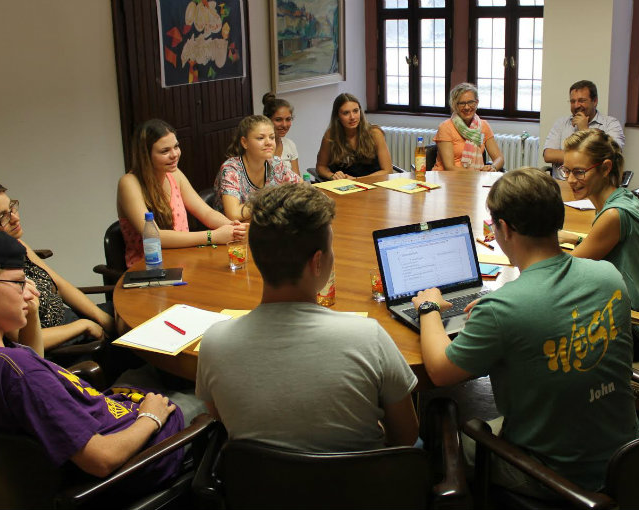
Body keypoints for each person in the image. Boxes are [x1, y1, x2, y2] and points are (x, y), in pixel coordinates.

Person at [412, 168, 637, 499]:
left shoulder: (503, 308)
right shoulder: (608, 275)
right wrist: (497, 310)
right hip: (624, 460)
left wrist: (429, 308)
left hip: (552, 477)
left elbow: (440, 371)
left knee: (446, 429)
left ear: (504, 228)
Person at [0, 224, 184, 488]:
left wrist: (29, 316)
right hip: (148, 457)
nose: (33, 292)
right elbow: (102, 459)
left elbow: (32, 370)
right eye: (19, 283)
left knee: (143, 374)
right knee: (204, 394)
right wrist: (150, 417)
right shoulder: (22, 376)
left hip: (109, 420)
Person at [196, 182, 419, 452]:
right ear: (317, 263)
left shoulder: (214, 342)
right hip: (359, 492)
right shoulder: (368, 337)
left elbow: (223, 419)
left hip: (258, 491)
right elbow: (405, 436)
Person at [0, 182, 115, 350]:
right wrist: (83, 326)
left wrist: (102, 318)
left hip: (67, 319)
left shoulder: (16, 244)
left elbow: (60, 285)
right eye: (2, 217)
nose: (15, 218)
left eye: (12, 208)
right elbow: (21, 341)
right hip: (54, 345)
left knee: (124, 312)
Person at [556, 130, 639, 361]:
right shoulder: (625, 198)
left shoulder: (613, 215)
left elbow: (563, 272)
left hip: (637, 330)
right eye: (566, 170)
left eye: (579, 172)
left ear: (605, 168)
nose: (570, 180)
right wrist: (575, 239)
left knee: (542, 329)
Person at [117, 118, 246, 268]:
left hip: (183, 262)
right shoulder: (129, 183)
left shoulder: (174, 174)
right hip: (149, 271)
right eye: (165, 151)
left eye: (176, 146)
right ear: (146, 155)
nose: (174, 154)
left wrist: (232, 227)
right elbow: (156, 236)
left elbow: (206, 213)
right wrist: (212, 236)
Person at [214, 115, 302, 221]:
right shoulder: (231, 170)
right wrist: (274, 200)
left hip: (265, 223)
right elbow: (233, 214)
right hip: (234, 232)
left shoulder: (276, 163)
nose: (268, 142)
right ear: (245, 143)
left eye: (272, 137)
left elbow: (303, 189)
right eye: (260, 138)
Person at [543, 80, 625, 179]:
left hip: (595, 187)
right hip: (563, 183)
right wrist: (587, 157)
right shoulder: (561, 123)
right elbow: (548, 155)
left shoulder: (611, 124)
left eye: (582, 100)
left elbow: (612, 155)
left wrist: (585, 130)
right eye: (573, 101)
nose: (577, 105)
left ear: (595, 101)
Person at [315, 93, 394, 180]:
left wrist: (357, 180)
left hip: (373, 185)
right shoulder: (331, 136)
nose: (352, 117)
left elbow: (388, 170)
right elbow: (321, 167)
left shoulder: (375, 133)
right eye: (346, 113)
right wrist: (332, 176)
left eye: (355, 111)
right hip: (344, 189)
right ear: (337, 116)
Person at [433, 82, 504, 172]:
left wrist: (492, 167)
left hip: (475, 179)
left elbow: (499, 158)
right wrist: (478, 173)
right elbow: (449, 167)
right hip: (447, 178)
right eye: (462, 103)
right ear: (455, 105)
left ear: (477, 102)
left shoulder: (483, 125)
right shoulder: (445, 127)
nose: (467, 107)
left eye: (471, 102)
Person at [262, 92, 300, 176]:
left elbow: (297, 181)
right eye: (278, 120)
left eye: (288, 119)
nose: (284, 125)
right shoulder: (259, 147)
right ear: (267, 119)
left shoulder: (290, 145)